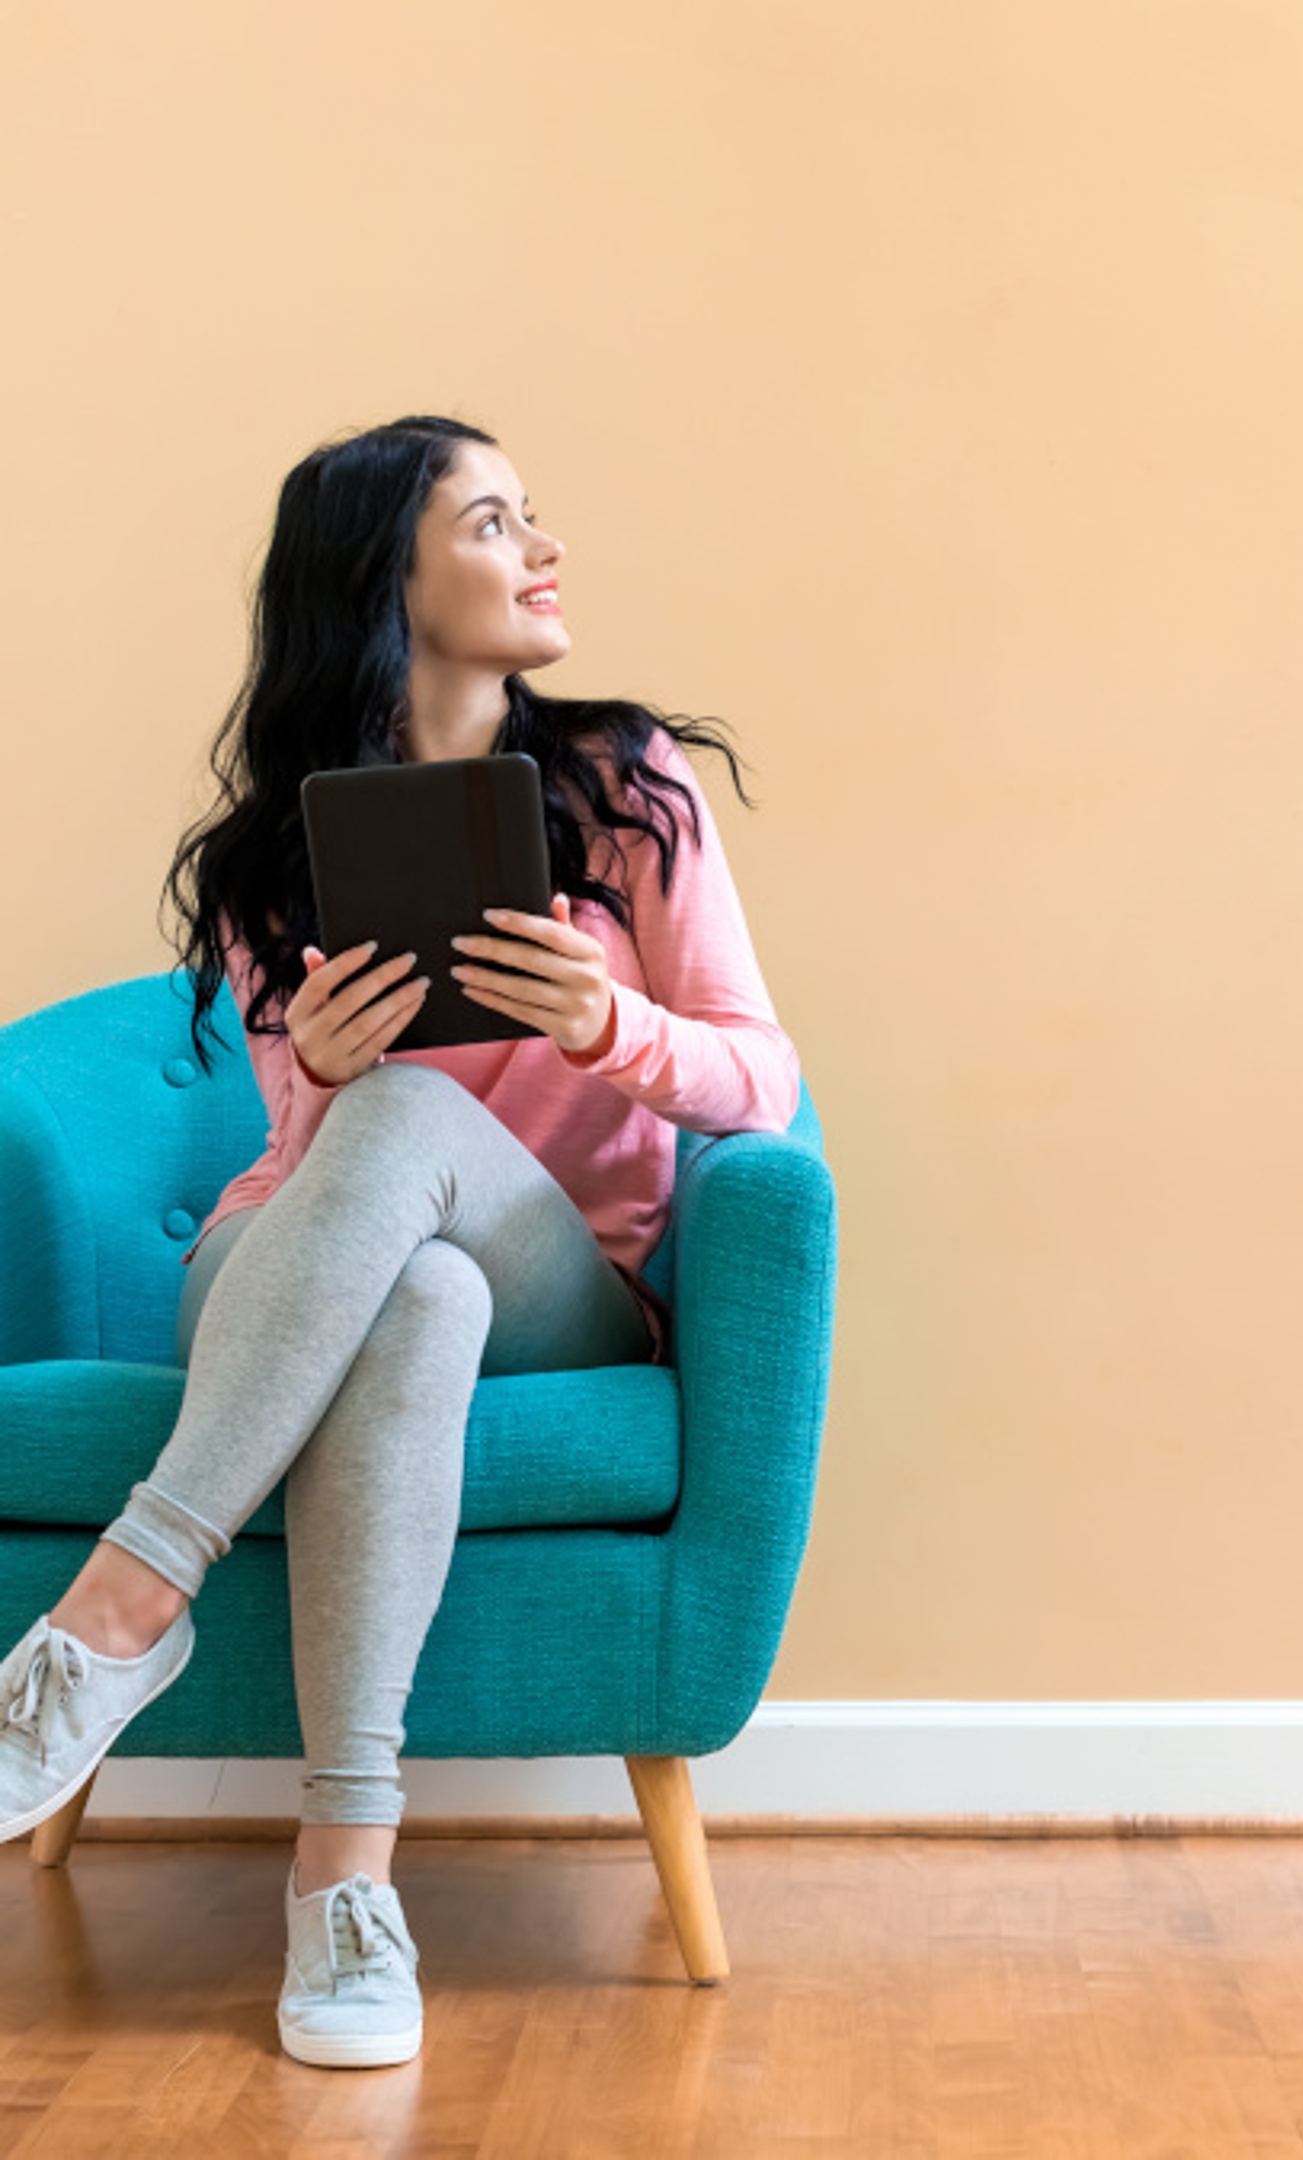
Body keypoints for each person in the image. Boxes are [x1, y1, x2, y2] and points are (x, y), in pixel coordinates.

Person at [0, 415, 798, 2068]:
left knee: (427, 1144)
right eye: (496, 522)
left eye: (529, 517)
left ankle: (123, 1608)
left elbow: (764, 1078)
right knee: (412, 1275)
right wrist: (327, 1073)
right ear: (391, 576)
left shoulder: (630, 790)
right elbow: (304, 1164)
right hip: (305, 1257)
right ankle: (346, 1886)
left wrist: (615, 1028)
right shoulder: (276, 849)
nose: (542, 549)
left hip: (562, 1282)